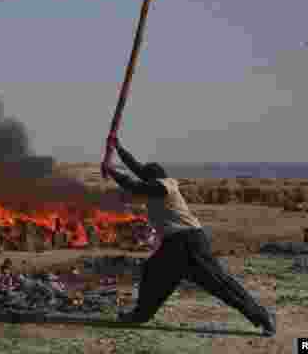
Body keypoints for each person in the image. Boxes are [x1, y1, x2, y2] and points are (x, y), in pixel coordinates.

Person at [103, 134, 276, 336]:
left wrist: (112, 171)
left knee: (222, 286)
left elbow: (135, 185)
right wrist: (119, 148)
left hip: (190, 243)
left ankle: (263, 318)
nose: (143, 180)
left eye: (146, 178)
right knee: (152, 272)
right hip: (174, 246)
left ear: (154, 179)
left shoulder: (166, 185)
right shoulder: (155, 185)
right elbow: (137, 170)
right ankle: (139, 316)